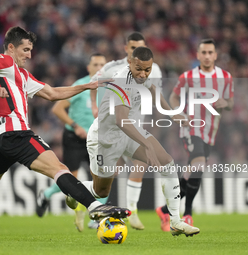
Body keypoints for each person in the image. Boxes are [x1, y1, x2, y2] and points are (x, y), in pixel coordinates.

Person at [0, 26, 130, 242]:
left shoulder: (22, 75)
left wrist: (89, 85)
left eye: (31, 50)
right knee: (59, 169)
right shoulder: (6, 62)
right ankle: (96, 207)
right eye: (25, 49)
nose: (29, 55)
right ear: (11, 48)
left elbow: (52, 93)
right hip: (15, 133)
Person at [83, 46, 200, 237]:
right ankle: (75, 189)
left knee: (168, 163)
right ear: (130, 62)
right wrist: (147, 146)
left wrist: (174, 114)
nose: (143, 74)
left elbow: (154, 92)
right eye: (139, 69)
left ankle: (176, 221)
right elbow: (121, 120)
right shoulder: (122, 82)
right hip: (105, 138)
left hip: (130, 130)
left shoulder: (146, 75)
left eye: (147, 69)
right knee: (100, 191)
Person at [156, 38, 234, 231]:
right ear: (198, 55)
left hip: (210, 131)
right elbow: (174, 96)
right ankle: (188, 214)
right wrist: (176, 112)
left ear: (215, 55)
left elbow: (230, 102)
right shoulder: (188, 76)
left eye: (210, 52)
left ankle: (165, 209)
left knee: (194, 171)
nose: (207, 56)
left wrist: (225, 103)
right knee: (198, 162)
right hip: (190, 127)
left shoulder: (226, 77)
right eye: (203, 52)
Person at [90, 32, 162, 229]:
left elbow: (155, 95)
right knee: (107, 178)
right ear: (127, 50)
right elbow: (94, 84)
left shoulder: (153, 70)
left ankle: (132, 211)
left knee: (140, 164)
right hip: (113, 129)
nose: (135, 50)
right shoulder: (113, 68)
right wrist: (95, 108)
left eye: (139, 46)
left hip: (134, 128)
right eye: (132, 47)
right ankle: (89, 203)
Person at [36, 53, 107, 232]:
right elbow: (57, 109)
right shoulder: (80, 86)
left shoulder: (109, 89)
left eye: (102, 65)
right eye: (96, 64)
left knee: (103, 178)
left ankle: (96, 218)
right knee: (71, 179)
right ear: (88, 68)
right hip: (75, 139)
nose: (99, 68)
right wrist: (75, 126)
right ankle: (45, 195)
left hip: (96, 139)